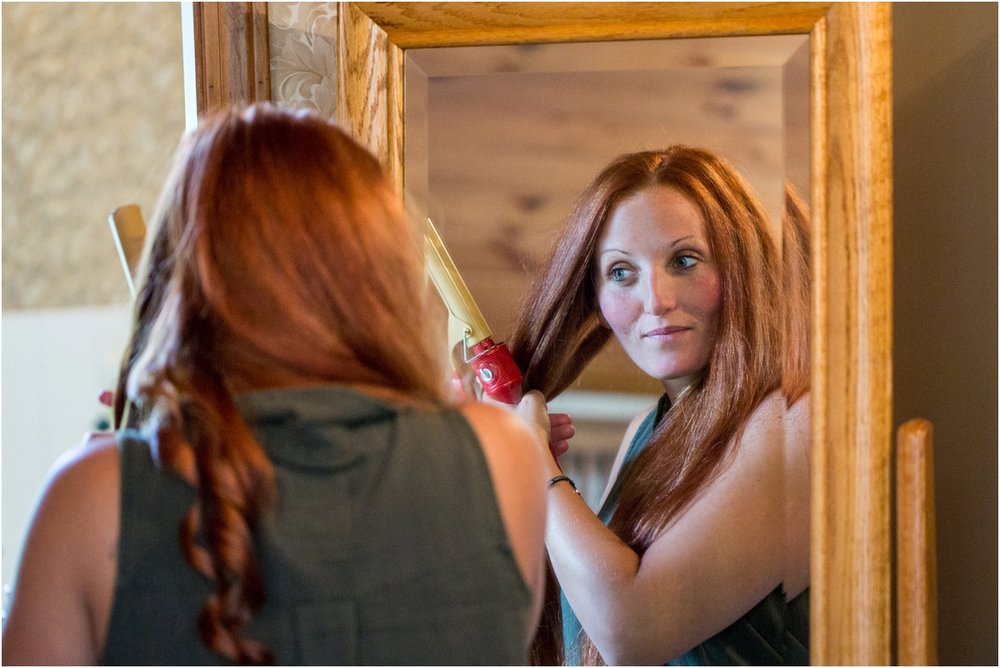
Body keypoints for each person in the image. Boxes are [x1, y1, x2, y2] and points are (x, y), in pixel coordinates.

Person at [2, 104, 552, 665]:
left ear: (182, 285)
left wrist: (114, 479)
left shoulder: (90, 502)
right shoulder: (503, 457)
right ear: (379, 277)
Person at [507, 146, 810, 665]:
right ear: (596, 298)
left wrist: (534, 461)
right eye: (622, 273)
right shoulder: (647, 432)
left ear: (743, 268)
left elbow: (633, 629)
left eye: (684, 260)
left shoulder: (793, 421)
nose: (656, 300)